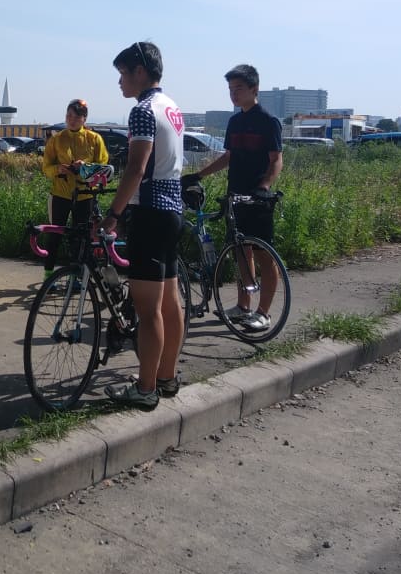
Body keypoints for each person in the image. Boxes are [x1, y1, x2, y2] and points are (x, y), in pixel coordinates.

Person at [100, 41, 185, 410]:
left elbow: (136, 168)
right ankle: (166, 378)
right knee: (170, 301)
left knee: (148, 308)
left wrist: (113, 215)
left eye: (122, 74)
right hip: (173, 211)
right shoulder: (172, 107)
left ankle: (146, 388)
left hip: (149, 213)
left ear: (139, 72)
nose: (120, 83)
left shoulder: (142, 111)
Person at [182, 63, 283, 332]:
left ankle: (264, 312)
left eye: (239, 88)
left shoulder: (268, 121)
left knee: (263, 255)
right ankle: (243, 305)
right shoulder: (235, 121)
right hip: (234, 194)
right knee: (240, 251)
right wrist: (199, 176)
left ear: (254, 88)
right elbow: (228, 157)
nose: (233, 94)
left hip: (258, 198)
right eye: (230, 89)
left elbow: (276, 160)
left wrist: (264, 185)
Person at [40, 99, 109, 282]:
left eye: (76, 116)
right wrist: (58, 169)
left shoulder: (94, 139)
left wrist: (85, 166)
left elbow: (103, 167)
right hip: (61, 194)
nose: (71, 120)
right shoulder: (56, 139)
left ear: (84, 119)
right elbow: (46, 167)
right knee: (55, 235)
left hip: (85, 195)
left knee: (80, 238)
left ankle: (76, 278)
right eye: (68, 115)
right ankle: (48, 276)